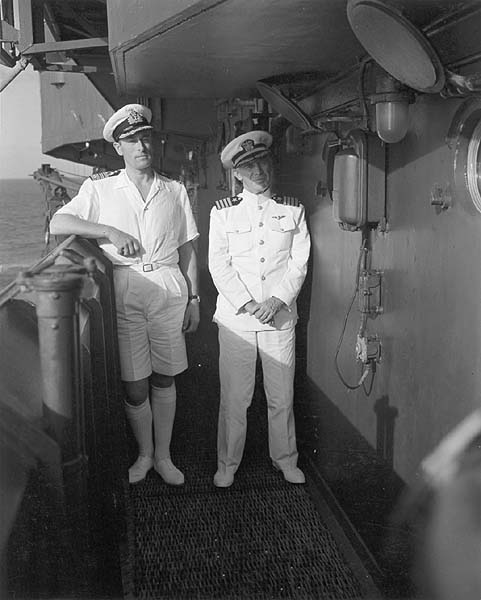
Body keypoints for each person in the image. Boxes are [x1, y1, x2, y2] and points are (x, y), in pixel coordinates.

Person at [50, 104, 200, 485]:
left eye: (145, 138)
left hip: (168, 286)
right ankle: (144, 455)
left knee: (165, 377)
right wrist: (108, 232)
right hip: (126, 285)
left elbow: (187, 250)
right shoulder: (99, 188)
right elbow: (59, 222)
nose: (141, 146)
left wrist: (195, 299)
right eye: (132, 140)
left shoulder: (174, 189)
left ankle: (164, 457)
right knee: (135, 384)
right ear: (119, 148)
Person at [208, 130, 311, 488]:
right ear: (236, 173)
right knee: (235, 398)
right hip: (238, 320)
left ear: (271, 162)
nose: (257, 172)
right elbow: (218, 265)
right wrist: (250, 303)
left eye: (262, 162)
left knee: (281, 397)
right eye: (248, 166)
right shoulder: (222, 213)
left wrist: (277, 300)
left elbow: (299, 262)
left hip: (280, 318)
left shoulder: (292, 210)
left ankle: (284, 459)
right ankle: (227, 463)